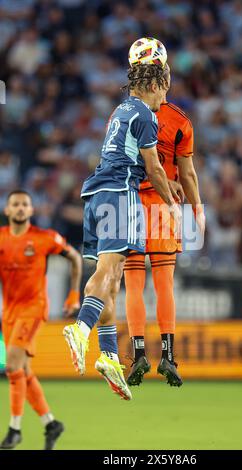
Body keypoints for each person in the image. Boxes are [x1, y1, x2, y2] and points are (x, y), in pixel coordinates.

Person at [63, 63, 181, 401]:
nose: (165, 96)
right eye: (164, 88)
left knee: (111, 279)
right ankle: (81, 327)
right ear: (154, 84)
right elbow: (153, 166)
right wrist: (170, 203)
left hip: (95, 196)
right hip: (119, 194)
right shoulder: (144, 114)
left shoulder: (120, 110)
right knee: (110, 272)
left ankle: (110, 355)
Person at [124, 64, 205, 387]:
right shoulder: (180, 120)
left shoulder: (123, 115)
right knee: (164, 283)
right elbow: (187, 174)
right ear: (164, 81)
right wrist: (197, 208)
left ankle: (138, 352)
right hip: (163, 203)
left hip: (128, 203)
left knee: (132, 282)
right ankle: (168, 356)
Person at [0, 190, 82, 450]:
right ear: (8, 211)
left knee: (12, 364)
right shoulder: (1, 239)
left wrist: (73, 295)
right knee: (22, 371)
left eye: (25, 204)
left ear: (32, 210)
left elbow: (75, 258)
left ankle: (14, 429)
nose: (21, 208)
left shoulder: (44, 238)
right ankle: (51, 423)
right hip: (10, 312)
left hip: (34, 308)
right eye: (16, 204)